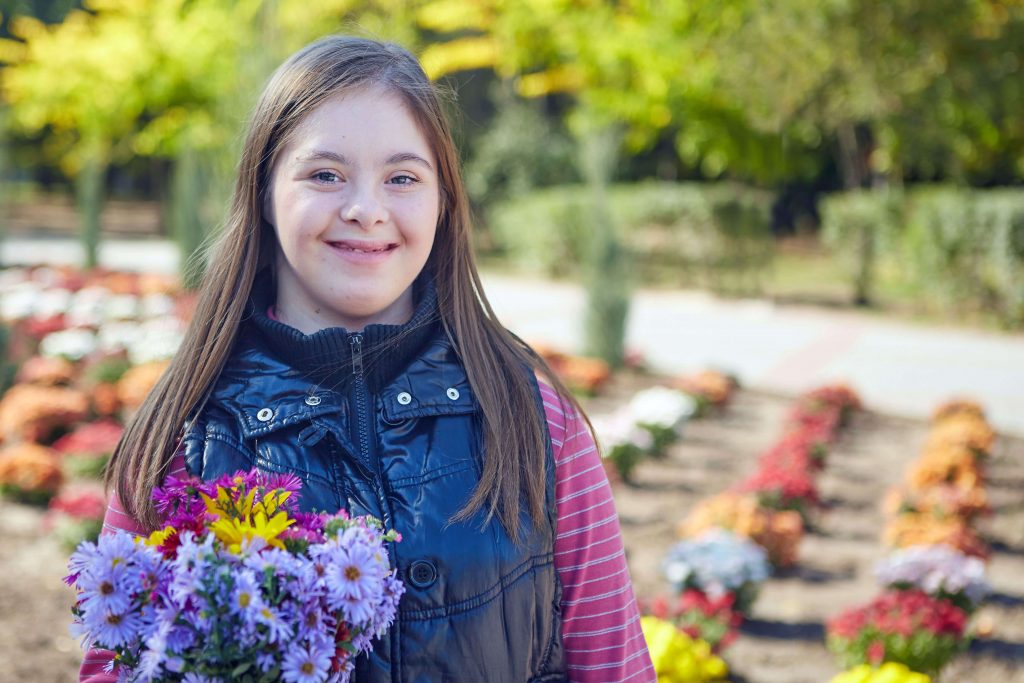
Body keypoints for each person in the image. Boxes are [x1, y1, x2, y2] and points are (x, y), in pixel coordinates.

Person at [81, 35, 654, 683]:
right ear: (264, 192)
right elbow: (115, 662)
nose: (365, 209)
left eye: (402, 177)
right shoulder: (183, 431)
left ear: (444, 203)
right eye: (325, 174)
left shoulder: (529, 410)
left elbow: (616, 666)